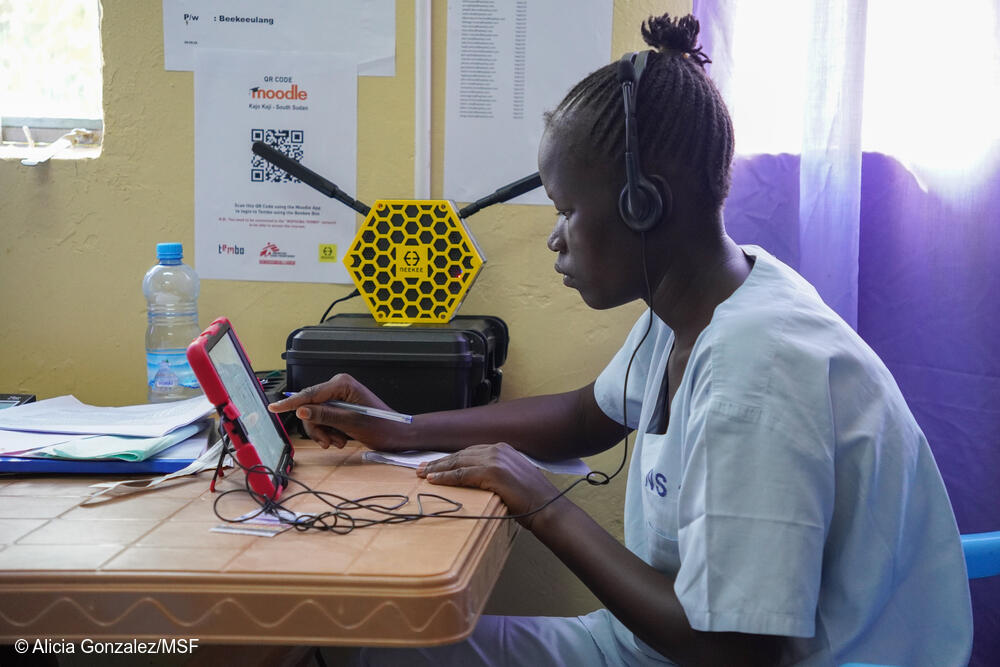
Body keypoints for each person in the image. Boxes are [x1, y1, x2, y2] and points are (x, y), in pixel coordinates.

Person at [269, 12, 972, 667]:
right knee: (367, 645)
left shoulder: (757, 371)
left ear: (643, 204)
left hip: (728, 655)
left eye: (567, 210)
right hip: (653, 645)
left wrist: (541, 501)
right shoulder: (705, 300)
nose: (555, 237)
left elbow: (733, 652)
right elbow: (586, 415)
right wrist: (401, 428)